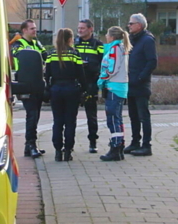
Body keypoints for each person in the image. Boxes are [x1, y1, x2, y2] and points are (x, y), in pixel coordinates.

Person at [44, 28, 88, 162]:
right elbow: (81, 74)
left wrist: (49, 89)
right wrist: (85, 90)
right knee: (70, 121)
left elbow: (47, 74)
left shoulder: (51, 54)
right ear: (69, 39)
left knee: (57, 121)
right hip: (71, 89)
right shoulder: (74, 54)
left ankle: (58, 151)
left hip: (56, 89)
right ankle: (68, 151)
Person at [11, 20, 47, 158]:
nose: (35, 31)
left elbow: (46, 56)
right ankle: (31, 144)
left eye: (35, 28)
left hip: (37, 82)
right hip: (25, 82)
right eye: (32, 28)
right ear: (24, 30)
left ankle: (30, 145)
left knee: (35, 115)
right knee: (31, 115)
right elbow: (18, 55)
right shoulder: (18, 44)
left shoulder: (37, 43)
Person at [124, 13, 157, 156]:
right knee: (133, 116)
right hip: (130, 83)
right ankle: (135, 142)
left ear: (140, 25)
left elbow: (152, 61)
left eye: (131, 23)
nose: (129, 26)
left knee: (143, 115)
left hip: (141, 85)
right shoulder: (132, 39)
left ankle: (146, 145)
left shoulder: (147, 40)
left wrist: (140, 77)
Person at [96, 25, 130, 162]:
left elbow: (112, 68)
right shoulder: (122, 48)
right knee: (117, 118)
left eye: (107, 34)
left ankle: (115, 147)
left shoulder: (115, 49)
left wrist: (102, 79)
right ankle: (119, 145)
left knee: (112, 118)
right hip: (119, 86)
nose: (106, 36)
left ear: (112, 36)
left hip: (113, 87)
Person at [74, 19, 104, 154]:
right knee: (71, 115)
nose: (79, 30)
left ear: (91, 29)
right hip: (76, 83)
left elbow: (103, 63)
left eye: (82, 28)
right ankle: (69, 143)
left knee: (91, 115)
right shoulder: (74, 44)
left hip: (91, 83)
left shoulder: (98, 45)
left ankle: (93, 142)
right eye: (79, 28)